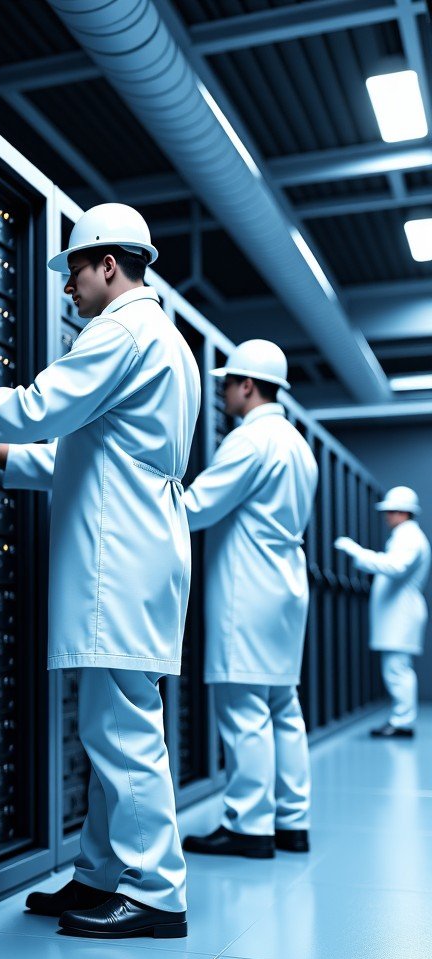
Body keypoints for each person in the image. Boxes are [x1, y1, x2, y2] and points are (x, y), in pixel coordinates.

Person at [0, 203, 200, 939]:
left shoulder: (120, 328)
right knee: (109, 725)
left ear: (108, 265)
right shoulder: (168, 342)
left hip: (121, 554)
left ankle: (157, 892)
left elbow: (38, 408)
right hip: (143, 542)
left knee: (124, 731)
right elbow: (80, 458)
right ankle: (101, 875)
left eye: (75, 273)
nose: (68, 290)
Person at [178, 340, 318, 859]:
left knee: (243, 710)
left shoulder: (251, 441)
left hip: (249, 589)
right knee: (283, 706)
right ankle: (293, 821)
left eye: (226, 384)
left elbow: (198, 506)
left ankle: (249, 825)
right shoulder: (297, 444)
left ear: (247, 385)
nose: (222, 394)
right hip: (286, 588)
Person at [336, 486, 430, 739]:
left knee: (397, 669)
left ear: (402, 512)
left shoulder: (408, 536)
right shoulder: (406, 535)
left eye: (389, 511)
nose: (386, 516)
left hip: (402, 614)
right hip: (399, 613)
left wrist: (357, 552)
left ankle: (402, 723)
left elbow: (396, 566)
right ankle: (401, 720)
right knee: (397, 669)